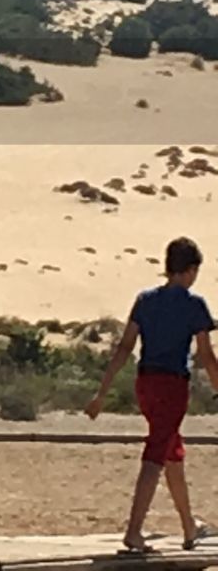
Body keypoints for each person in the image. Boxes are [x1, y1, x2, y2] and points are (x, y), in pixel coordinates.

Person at [87, 236, 218, 553]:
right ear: (189, 270)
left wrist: (101, 392)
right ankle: (133, 531)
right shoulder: (193, 304)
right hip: (172, 386)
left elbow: (125, 347)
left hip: (145, 383)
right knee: (155, 455)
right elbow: (206, 355)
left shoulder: (145, 300)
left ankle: (189, 527)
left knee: (171, 452)